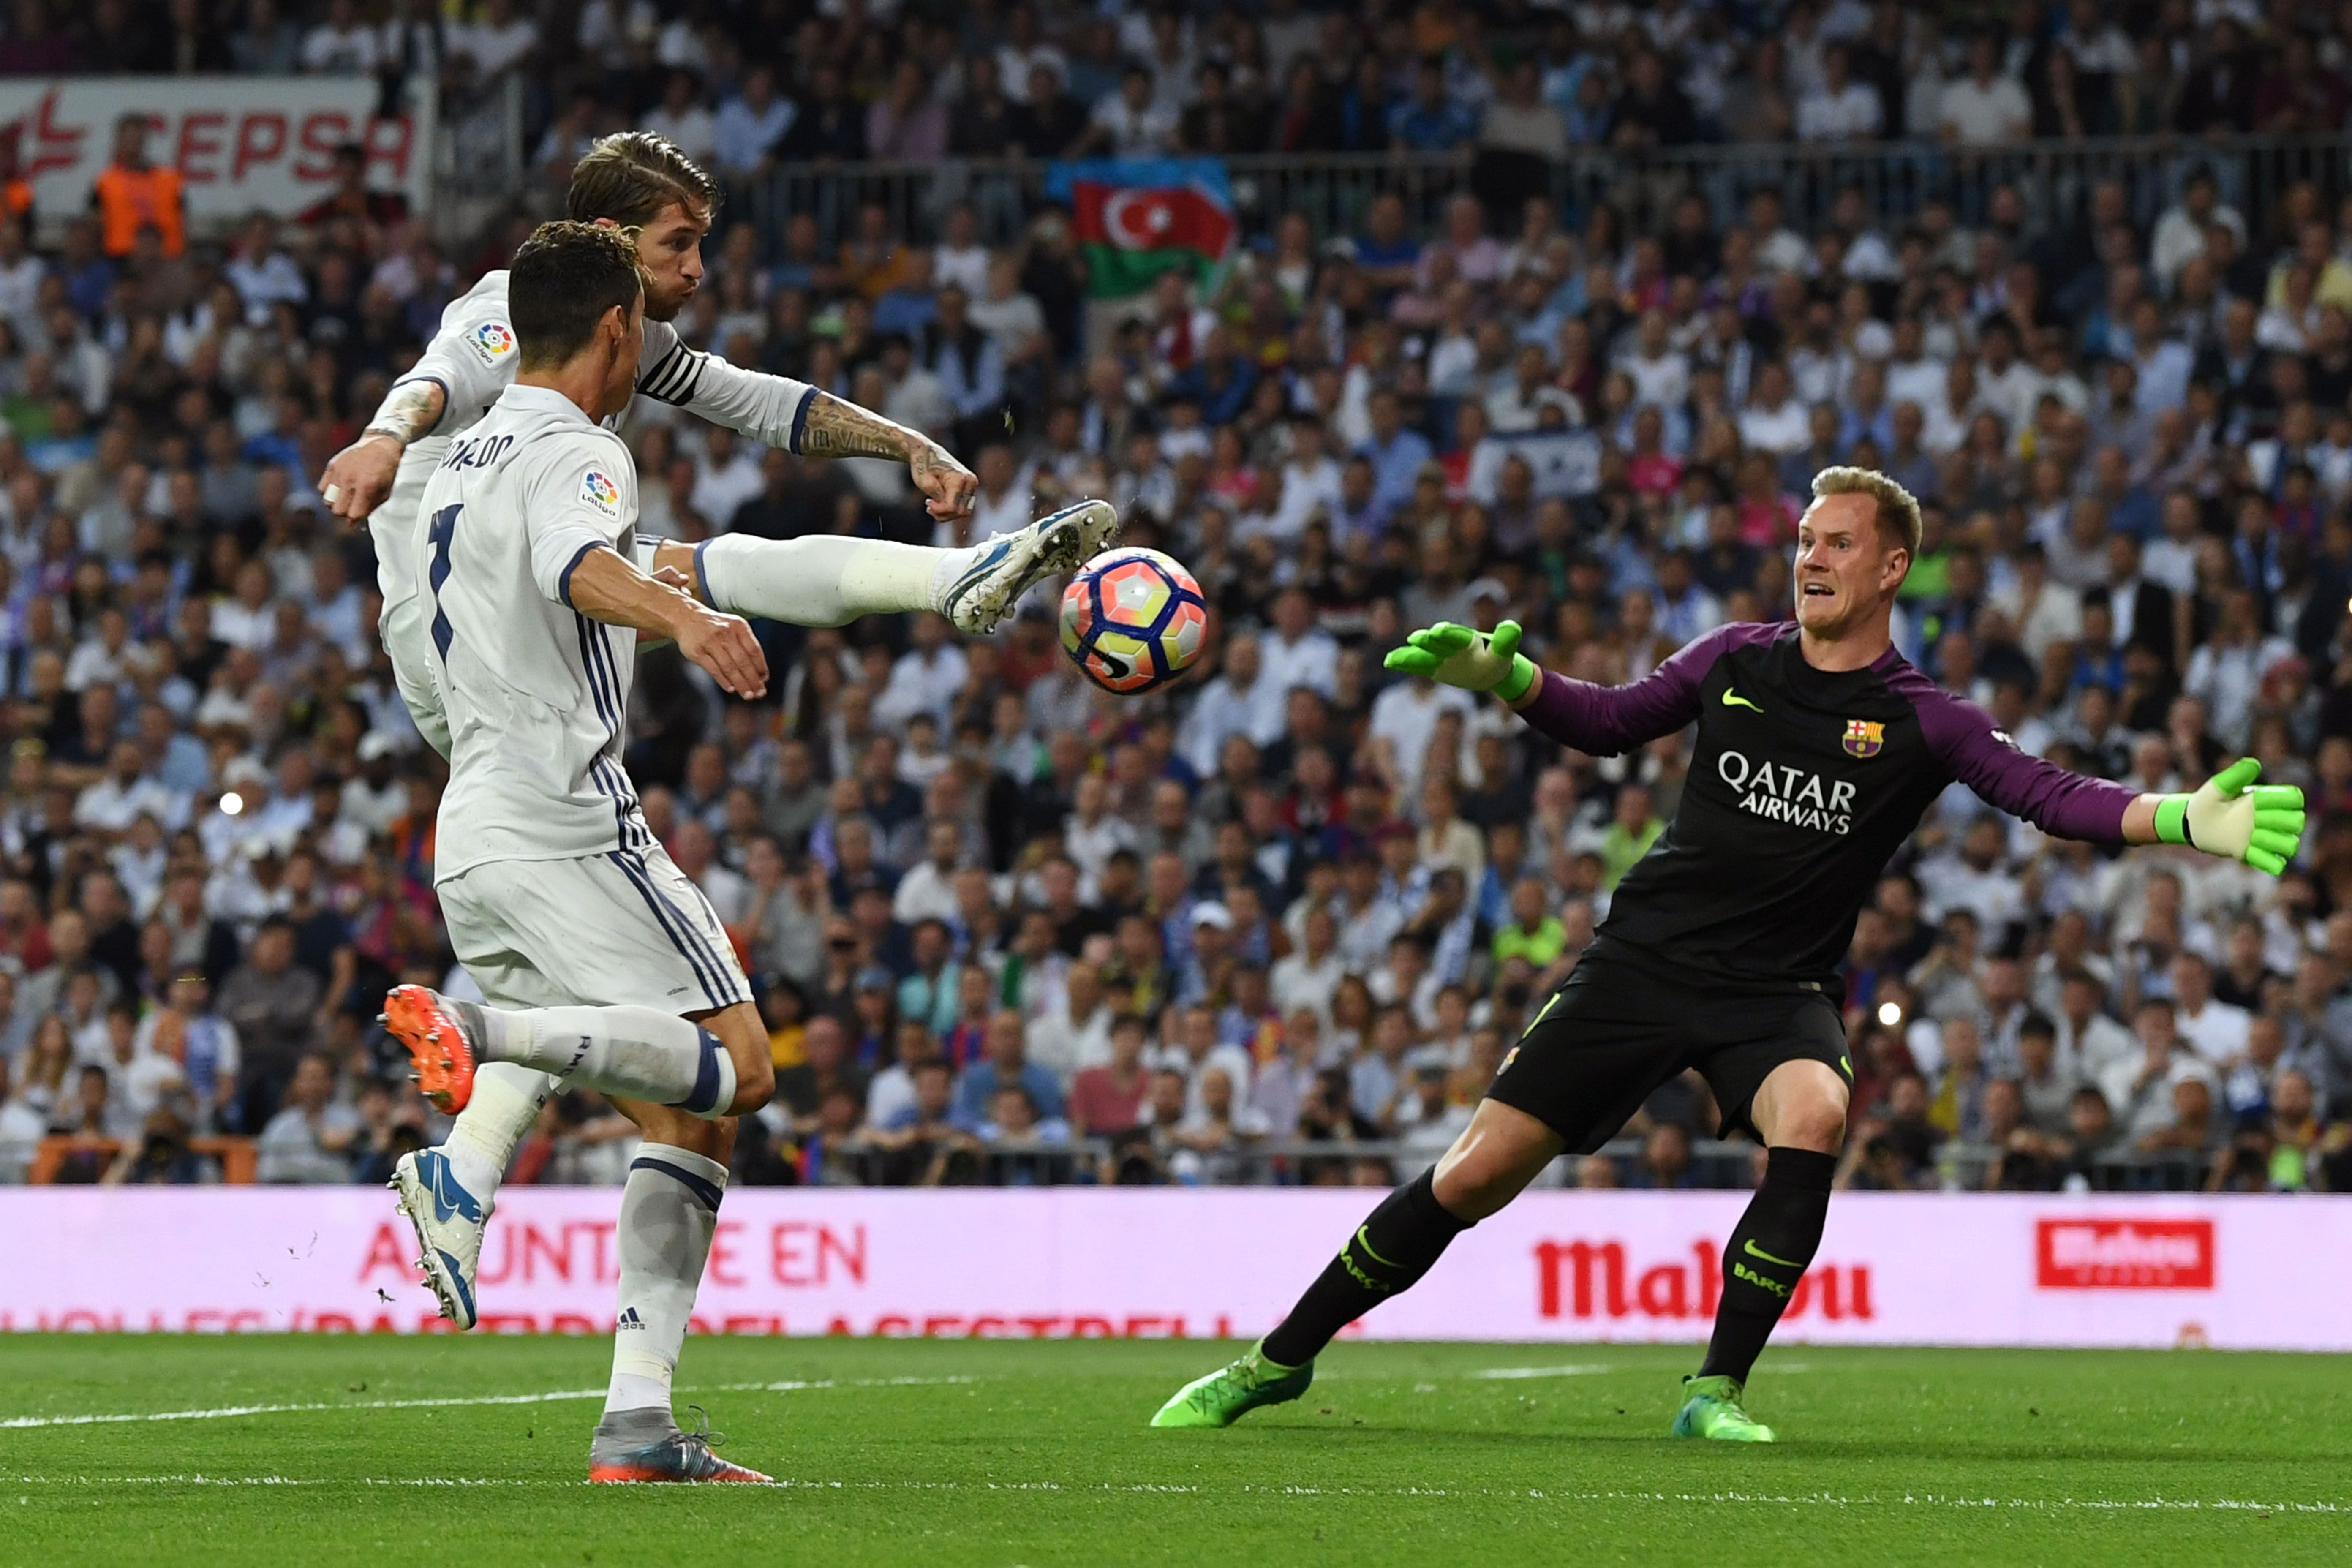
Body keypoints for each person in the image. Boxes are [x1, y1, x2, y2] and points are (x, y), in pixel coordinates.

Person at [1152, 467, 2306, 1440]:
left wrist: (2180, 817)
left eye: (1839, 544)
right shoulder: (1734, 659)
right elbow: (1607, 720)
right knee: (1472, 1177)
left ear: (1891, 567)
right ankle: (1278, 1359)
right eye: (1805, 540)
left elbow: (2049, 796)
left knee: (1814, 1113)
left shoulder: (1925, 716)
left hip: (1774, 993)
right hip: (1643, 962)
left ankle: (1714, 1388)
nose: (1811, 559)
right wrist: (1503, 679)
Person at [375, 221, 780, 1485]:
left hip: (474, 828)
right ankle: (489, 1037)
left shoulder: (458, 455)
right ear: (617, 327)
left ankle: (638, 1427)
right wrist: (690, 615)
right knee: (738, 1071)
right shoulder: (577, 447)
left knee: (687, 1122)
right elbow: (579, 566)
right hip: (565, 813)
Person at [318, 131, 1114, 759]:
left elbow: (756, 402)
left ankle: (954, 578)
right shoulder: (523, 305)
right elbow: (442, 373)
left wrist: (908, 445)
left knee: (718, 567)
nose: (699, 268)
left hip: (514, 610)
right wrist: (384, 439)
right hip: (451, 627)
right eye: (678, 243)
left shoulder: (632, 333)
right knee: (703, 579)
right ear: (611, 236)